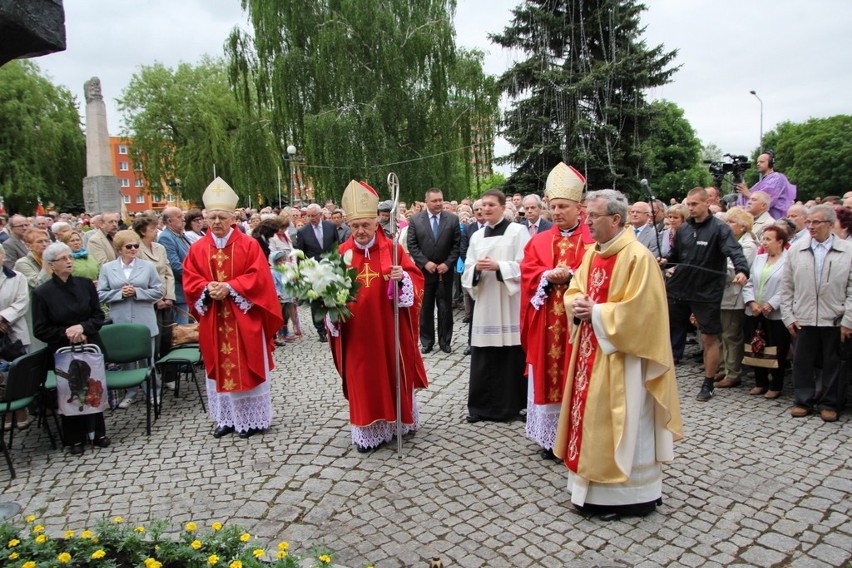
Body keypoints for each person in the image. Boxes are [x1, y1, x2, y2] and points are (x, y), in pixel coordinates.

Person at [553, 189, 683, 519]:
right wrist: (578, 304)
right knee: (591, 421)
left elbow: (644, 314)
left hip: (626, 360)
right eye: (586, 216)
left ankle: (629, 497)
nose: (587, 222)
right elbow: (575, 290)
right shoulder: (593, 254)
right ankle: (589, 491)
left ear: (615, 219)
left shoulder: (637, 257)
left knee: (623, 422)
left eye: (593, 216)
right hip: (590, 352)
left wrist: (597, 312)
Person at [328, 180, 428, 452]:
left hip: (389, 329)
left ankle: (399, 423)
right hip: (356, 332)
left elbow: (417, 281)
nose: (360, 231)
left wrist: (403, 277)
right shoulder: (341, 254)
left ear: (376, 223)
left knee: (392, 372)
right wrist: (329, 310)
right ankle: (367, 431)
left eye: (366, 225)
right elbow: (328, 292)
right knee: (363, 377)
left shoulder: (393, 249)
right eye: (355, 225)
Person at [183, 178, 283, 439]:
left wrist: (231, 287)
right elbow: (190, 278)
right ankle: (225, 418)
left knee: (246, 363)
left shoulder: (248, 245)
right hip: (214, 318)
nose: (216, 222)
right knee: (218, 364)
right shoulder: (197, 248)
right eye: (212, 217)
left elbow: (259, 277)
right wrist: (207, 288)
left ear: (232, 219)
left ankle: (252, 419)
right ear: (205, 218)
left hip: (243, 316)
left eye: (221, 217)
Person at [519, 163, 593, 460]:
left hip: (580, 324)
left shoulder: (593, 240)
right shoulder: (538, 240)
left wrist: (573, 275)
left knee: (577, 374)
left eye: (564, 206)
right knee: (548, 375)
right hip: (547, 320)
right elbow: (528, 274)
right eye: (554, 206)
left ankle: (578, 432)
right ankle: (549, 438)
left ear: (580, 207)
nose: (558, 211)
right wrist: (547, 276)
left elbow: (600, 275)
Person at [662, 187, 750, 402]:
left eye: (694, 204)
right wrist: (664, 260)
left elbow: (734, 251)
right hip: (680, 287)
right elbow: (675, 255)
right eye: (688, 204)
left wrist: (742, 270)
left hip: (706, 290)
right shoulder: (683, 229)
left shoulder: (720, 229)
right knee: (664, 328)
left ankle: (708, 382)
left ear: (706, 203)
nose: (690, 208)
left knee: (709, 337)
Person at [32, 242, 109, 455]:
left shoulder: (85, 285)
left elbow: (98, 315)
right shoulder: (42, 293)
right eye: (63, 259)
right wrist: (68, 332)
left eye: (70, 258)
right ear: (51, 265)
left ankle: (98, 432)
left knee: (94, 388)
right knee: (71, 392)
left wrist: (83, 327)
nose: (68, 261)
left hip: (89, 344)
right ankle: (74, 438)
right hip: (63, 350)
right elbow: (40, 329)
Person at [462, 189, 531, 423]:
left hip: (508, 302)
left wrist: (500, 266)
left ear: (503, 207)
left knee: (511, 355)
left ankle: (513, 406)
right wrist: (477, 270)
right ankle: (482, 407)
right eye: (483, 206)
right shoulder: (477, 236)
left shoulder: (517, 232)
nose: (486, 209)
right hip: (485, 303)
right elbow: (468, 267)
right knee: (484, 356)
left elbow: (527, 265)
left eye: (492, 205)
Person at [781, 205, 852, 423]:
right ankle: (803, 400)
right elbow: (787, 286)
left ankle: (829, 403)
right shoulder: (796, 249)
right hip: (803, 316)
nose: (810, 226)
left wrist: (848, 319)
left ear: (830, 224)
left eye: (816, 222)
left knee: (833, 363)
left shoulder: (848, 251)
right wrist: (788, 316)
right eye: (809, 222)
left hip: (834, 317)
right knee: (802, 361)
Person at [97, 230, 164, 408]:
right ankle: (131, 392)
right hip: (121, 319)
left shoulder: (147, 266)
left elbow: (158, 290)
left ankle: (154, 391)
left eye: (136, 245)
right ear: (119, 249)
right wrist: (119, 293)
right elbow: (100, 294)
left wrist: (138, 292)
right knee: (126, 360)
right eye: (129, 246)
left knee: (148, 359)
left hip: (144, 318)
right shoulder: (108, 268)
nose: (133, 249)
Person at [407, 188, 461, 354]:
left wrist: (448, 263)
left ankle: (445, 341)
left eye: (440, 200)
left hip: (445, 272)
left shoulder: (452, 219)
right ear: (426, 202)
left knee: (445, 308)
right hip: (425, 273)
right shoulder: (416, 220)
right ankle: (427, 341)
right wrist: (425, 262)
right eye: (435, 201)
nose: (438, 203)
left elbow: (456, 245)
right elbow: (412, 245)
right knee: (425, 308)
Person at [742, 225, 790, 399]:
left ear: (780, 242)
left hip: (775, 313)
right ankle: (760, 382)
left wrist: (771, 303)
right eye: (764, 239)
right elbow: (749, 282)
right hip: (754, 311)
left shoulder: (788, 260)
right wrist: (751, 302)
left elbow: (788, 286)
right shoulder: (759, 258)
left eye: (769, 239)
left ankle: (776, 384)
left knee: (777, 348)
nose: (765, 243)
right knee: (755, 345)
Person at [715, 207, 758, 389]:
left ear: (743, 227)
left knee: (732, 335)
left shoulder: (748, 246)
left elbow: (736, 270)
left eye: (731, 222)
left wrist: (714, 268)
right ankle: (724, 367)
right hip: (721, 293)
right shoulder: (726, 242)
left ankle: (733, 373)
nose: (727, 225)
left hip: (735, 295)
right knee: (721, 334)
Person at [133, 215, 176, 379]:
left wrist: (169, 296)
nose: (157, 231)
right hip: (150, 302)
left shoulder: (159, 248)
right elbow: (140, 278)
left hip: (166, 298)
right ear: (143, 232)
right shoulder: (136, 250)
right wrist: (156, 299)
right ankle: (154, 376)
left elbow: (168, 272)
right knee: (155, 340)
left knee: (168, 337)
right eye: (153, 229)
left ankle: (169, 376)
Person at [295, 203, 339, 342]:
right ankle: (320, 330)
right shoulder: (303, 232)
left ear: (320, 215)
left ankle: (334, 323)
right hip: (313, 272)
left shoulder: (330, 227)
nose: (311, 218)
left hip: (330, 268)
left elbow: (337, 247)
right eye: (308, 216)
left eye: (313, 215)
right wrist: (302, 274)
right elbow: (300, 255)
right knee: (316, 301)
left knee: (332, 297)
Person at [0, 246, 32, 430]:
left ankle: (21, 411)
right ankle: (6, 414)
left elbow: (22, 302)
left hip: (14, 331)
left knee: (16, 372)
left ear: (3, 256)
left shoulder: (16, 277)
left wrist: (3, 318)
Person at [735, 151, 797, 220]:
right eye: (757, 162)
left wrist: (747, 193)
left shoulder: (777, 178)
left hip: (774, 220)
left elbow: (767, 201)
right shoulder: (760, 182)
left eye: (761, 162)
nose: (758, 164)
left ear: (770, 163)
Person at [158, 207, 192, 323]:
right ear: (169, 221)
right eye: (179, 217)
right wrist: (194, 279)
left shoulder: (181, 235)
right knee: (183, 331)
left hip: (187, 290)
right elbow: (175, 266)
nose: (183, 219)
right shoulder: (166, 237)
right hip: (179, 292)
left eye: (183, 216)